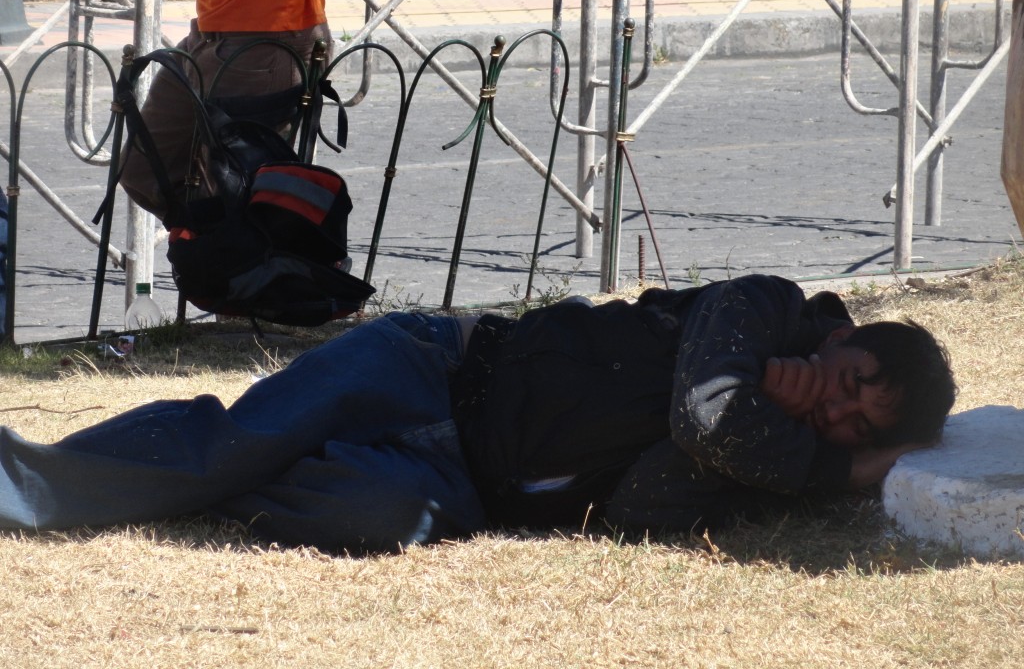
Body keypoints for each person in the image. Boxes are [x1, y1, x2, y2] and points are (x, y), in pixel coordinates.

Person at [0, 274, 955, 554]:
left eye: (851, 425)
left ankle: (203, 474)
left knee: (371, 519)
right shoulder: (758, 305)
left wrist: (757, 450)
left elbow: (634, 511)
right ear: (842, 338)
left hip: (457, 483)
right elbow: (706, 412)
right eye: (847, 377)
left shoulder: (763, 465)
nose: (830, 405)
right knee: (231, 448)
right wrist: (821, 464)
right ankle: (24, 484)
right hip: (433, 370)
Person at [108, 0, 347, 220]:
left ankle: (243, 253)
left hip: (270, 38)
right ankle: (217, 248)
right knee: (144, 171)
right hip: (207, 36)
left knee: (236, 187)